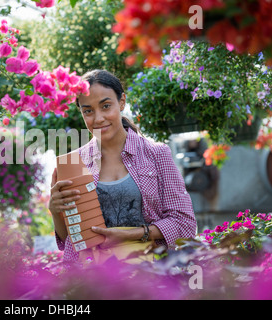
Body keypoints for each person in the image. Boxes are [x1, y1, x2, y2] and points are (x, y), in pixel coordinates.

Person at [48, 69, 197, 262]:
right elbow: (71, 238)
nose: (99, 118)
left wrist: (130, 235)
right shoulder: (74, 162)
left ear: (122, 102)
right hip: (93, 279)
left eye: (106, 106)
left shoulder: (156, 154)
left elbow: (184, 223)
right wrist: (54, 210)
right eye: (88, 111)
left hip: (151, 274)